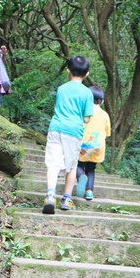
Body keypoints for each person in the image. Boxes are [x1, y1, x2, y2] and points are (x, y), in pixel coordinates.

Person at [42, 56, 95, 214]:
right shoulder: (87, 93)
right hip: (74, 131)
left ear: (68, 71)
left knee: (53, 164)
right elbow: (86, 118)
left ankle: (50, 196)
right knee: (71, 166)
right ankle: (66, 199)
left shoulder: (61, 88)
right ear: (86, 74)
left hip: (56, 127)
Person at [76, 86, 111, 200]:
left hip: (83, 144)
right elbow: (107, 132)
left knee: (78, 164)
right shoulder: (105, 115)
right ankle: (89, 191)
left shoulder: (84, 112)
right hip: (97, 146)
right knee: (91, 168)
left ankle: (81, 177)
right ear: (102, 101)